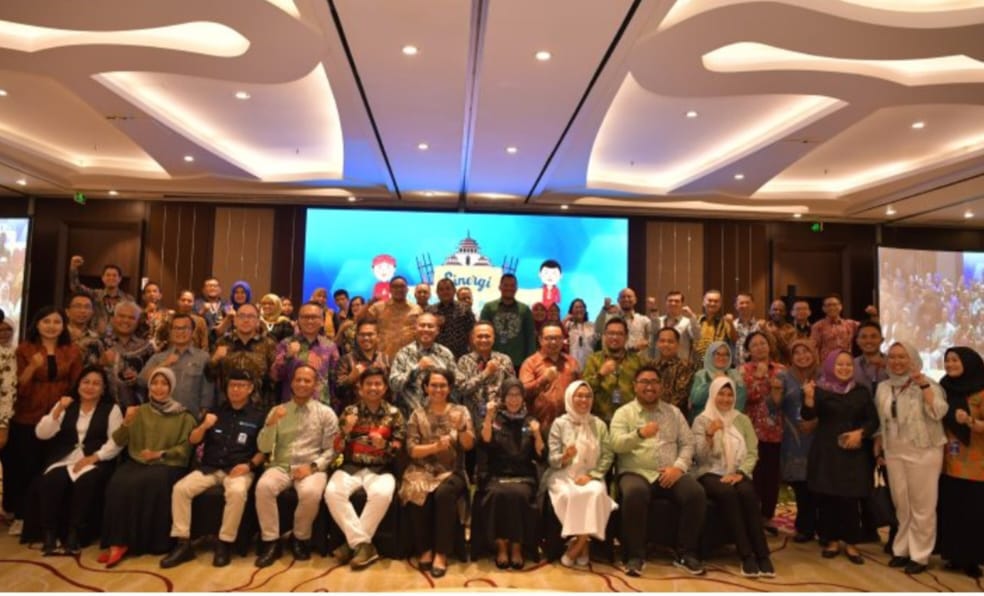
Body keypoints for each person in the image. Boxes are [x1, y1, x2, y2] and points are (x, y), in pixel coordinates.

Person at [160, 370, 265, 568]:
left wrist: (249, 465)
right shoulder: (215, 412)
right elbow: (193, 440)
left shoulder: (258, 416)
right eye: (232, 385)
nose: (235, 389)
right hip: (210, 468)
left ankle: (225, 543)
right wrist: (204, 426)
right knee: (180, 489)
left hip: (238, 469)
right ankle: (183, 543)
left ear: (250, 389)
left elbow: (263, 451)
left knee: (236, 492)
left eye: (241, 386)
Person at [610, 364, 706, 577]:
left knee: (695, 493)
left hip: (669, 471)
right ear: (635, 386)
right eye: (644, 382)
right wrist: (639, 434)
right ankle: (635, 556)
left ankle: (686, 553)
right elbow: (615, 444)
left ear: (661, 386)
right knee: (635, 493)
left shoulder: (674, 412)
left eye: (654, 382)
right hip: (635, 471)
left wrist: (678, 467)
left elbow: (688, 443)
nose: (649, 386)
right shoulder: (624, 413)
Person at [100, 368, 196, 567]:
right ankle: (118, 542)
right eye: (154, 383)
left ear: (171, 387)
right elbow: (119, 440)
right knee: (118, 482)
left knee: (151, 481)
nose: (158, 388)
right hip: (139, 460)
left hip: (169, 463)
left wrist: (160, 454)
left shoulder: (183, 415)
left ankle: (146, 542)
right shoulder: (139, 411)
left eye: (164, 383)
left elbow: (185, 449)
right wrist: (126, 422)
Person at [2, 306, 82, 537]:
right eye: (46, 321)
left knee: (49, 467)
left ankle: (47, 518)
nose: (51, 326)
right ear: (37, 324)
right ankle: (21, 516)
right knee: (24, 468)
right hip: (27, 415)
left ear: (63, 326)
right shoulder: (24, 349)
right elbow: (15, 387)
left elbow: (76, 384)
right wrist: (32, 368)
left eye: (57, 322)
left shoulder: (72, 350)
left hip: (59, 417)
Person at [254, 365, 339, 567]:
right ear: (291, 383)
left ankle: (300, 538)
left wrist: (313, 467)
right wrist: (271, 424)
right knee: (263, 487)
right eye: (298, 380)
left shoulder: (326, 413)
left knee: (311, 493)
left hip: (311, 467)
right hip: (281, 466)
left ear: (315, 385)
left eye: (307, 380)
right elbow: (264, 447)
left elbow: (332, 450)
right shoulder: (278, 411)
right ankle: (271, 541)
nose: (302, 384)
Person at [874, 342, 947, 575]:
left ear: (913, 359)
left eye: (902, 357)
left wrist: (923, 386)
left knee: (922, 505)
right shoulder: (883, 387)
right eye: (892, 357)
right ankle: (902, 549)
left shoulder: (927, 383)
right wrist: (879, 446)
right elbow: (882, 420)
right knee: (902, 504)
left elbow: (939, 412)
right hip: (894, 451)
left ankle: (920, 555)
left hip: (924, 450)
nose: (897, 362)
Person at [32, 366, 122, 555]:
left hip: (95, 459)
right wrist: (58, 409)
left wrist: (95, 457)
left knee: (86, 481)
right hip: (65, 458)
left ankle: (75, 534)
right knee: (51, 480)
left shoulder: (111, 409)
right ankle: (50, 534)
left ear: (103, 389)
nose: (90, 387)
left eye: (96, 384)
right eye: (86, 382)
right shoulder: (66, 405)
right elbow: (42, 434)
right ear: (78, 384)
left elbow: (117, 441)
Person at [801, 351, 879, 565]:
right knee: (828, 497)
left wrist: (861, 433)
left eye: (848, 365)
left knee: (851, 498)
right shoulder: (820, 390)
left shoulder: (861, 391)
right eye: (839, 365)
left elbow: (873, 421)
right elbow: (808, 416)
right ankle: (831, 540)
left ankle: (852, 542)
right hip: (827, 451)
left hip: (853, 451)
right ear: (830, 367)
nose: (844, 368)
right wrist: (808, 398)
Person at [692, 377, 774, 577]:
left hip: (737, 471)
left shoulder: (742, 420)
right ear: (713, 394)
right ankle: (746, 555)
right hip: (709, 471)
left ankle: (762, 554)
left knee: (747, 493)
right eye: (721, 393)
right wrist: (709, 436)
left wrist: (741, 473)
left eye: (730, 395)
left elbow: (752, 452)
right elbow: (698, 457)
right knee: (728, 494)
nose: (725, 399)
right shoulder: (701, 420)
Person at [325, 366, 406, 570]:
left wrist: (384, 445)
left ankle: (351, 545)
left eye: (378, 384)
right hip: (351, 466)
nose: (373, 388)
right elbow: (337, 448)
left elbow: (399, 449)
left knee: (382, 494)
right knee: (332, 492)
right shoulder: (349, 412)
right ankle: (363, 545)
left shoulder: (394, 414)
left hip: (381, 468)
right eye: (368, 384)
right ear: (360, 388)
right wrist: (345, 430)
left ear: (385, 388)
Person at [399, 368, 474, 579]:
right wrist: (435, 448)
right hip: (421, 469)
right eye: (433, 385)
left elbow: (468, 445)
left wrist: (461, 429)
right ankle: (425, 549)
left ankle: (441, 553)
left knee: (444, 494)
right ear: (425, 388)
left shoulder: (461, 411)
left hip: (452, 471)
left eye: (442, 385)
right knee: (416, 487)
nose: (438, 389)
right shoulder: (417, 414)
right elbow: (411, 450)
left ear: (449, 388)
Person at [543, 380, 616, 569]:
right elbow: (552, 459)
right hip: (563, 474)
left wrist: (592, 476)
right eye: (579, 396)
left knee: (596, 493)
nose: (584, 400)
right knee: (569, 495)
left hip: (590, 475)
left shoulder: (599, 425)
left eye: (588, 396)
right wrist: (565, 457)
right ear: (570, 398)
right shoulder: (559, 424)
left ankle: (578, 545)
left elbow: (608, 455)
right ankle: (583, 545)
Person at [477, 378, 545, 570]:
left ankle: (516, 547)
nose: (513, 399)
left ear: (523, 398)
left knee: (520, 495)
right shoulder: (496, 420)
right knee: (497, 494)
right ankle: (501, 547)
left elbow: (541, 454)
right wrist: (488, 417)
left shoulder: (530, 421)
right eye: (509, 395)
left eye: (517, 395)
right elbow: (485, 442)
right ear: (503, 398)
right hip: (497, 474)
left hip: (523, 475)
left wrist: (537, 434)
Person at [937, 347, 984, 578]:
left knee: (973, 512)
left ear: (969, 362)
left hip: (976, 465)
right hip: (947, 462)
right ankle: (953, 555)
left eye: (955, 360)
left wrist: (970, 421)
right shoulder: (943, 388)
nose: (950, 364)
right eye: (947, 360)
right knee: (951, 510)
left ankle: (972, 559)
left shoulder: (981, 391)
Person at [739, 331, 785, 534]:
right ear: (748, 350)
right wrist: (758, 377)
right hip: (751, 430)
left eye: (763, 343)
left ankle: (767, 516)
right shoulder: (743, 371)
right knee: (753, 474)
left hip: (775, 429)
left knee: (772, 476)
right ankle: (751, 515)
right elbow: (746, 397)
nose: (760, 347)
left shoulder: (781, 370)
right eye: (755, 345)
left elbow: (785, 398)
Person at [779, 338, 820, 543]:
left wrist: (816, 422)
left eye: (806, 351)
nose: (802, 356)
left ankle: (822, 526)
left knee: (818, 482)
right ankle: (805, 526)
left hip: (819, 435)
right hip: (793, 436)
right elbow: (774, 405)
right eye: (797, 352)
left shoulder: (823, 376)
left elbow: (833, 404)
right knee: (800, 484)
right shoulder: (784, 377)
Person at [139, 313, 215, 419]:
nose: (180, 332)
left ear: (193, 331)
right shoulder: (159, 357)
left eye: (185, 328)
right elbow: (141, 380)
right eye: (176, 328)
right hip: (161, 419)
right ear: (170, 331)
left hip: (191, 419)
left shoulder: (203, 358)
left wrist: (201, 416)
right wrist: (164, 364)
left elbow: (207, 393)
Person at [270, 301, 341, 409]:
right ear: (298, 320)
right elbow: (274, 376)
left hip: (320, 408)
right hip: (291, 407)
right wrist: (287, 357)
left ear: (322, 321)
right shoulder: (286, 344)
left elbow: (334, 382)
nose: (309, 321)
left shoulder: (330, 346)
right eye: (305, 317)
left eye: (314, 317)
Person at [209, 302, 278, 409]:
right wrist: (214, 360)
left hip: (259, 407)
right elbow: (209, 377)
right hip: (227, 406)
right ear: (235, 320)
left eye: (250, 316)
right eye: (241, 316)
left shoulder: (268, 344)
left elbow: (275, 378)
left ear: (258, 321)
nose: (246, 320)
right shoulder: (222, 342)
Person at [389, 312, 457, 415]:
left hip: (440, 416)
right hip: (409, 416)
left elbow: (455, 385)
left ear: (437, 331)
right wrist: (417, 369)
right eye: (422, 325)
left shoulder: (445, 354)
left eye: (430, 326)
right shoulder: (404, 353)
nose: (426, 329)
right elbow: (393, 385)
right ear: (415, 328)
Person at [582, 317, 645, 424]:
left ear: (626, 337)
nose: (615, 337)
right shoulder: (594, 359)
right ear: (604, 336)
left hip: (630, 420)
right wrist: (600, 374)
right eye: (611, 333)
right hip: (600, 420)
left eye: (619, 334)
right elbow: (584, 390)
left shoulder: (637, 361)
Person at [520, 322, 580, 432]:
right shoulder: (530, 363)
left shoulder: (571, 362)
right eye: (549, 338)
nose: (554, 342)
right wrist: (544, 379)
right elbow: (522, 393)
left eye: (558, 338)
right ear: (540, 340)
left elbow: (581, 390)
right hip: (539, 426)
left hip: (569, 425)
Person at [456, 321, 517, 428]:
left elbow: (513, 389)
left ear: (494, 338)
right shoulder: (464, 361)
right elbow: (461, 390)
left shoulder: (504, 360)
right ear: (473, 338)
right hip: (472, 419)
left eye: (487, 336)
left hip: (500, 418)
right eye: (479, 336)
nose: (483, 340)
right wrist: (486, 373)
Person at [99, 301, 155, 409]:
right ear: (113, 319)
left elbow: (153, 379)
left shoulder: (147, 348)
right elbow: (84, 376)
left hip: (136, 408)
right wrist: (100, 363)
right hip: (103, 408)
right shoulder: (99, 343)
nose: (125, 320)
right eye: (121, 316)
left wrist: (138, 379)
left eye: (131, 318)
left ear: (138, 322)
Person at [480, 274, 536, 370]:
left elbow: (530, 336)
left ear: (516, 288)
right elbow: (482, 334)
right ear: (500, 287)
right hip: (493, 361)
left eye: (512, 285)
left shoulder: (524, 309)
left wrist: (530, 361)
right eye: (506, 285)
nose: (509, 288)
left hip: (518, 360)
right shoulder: (489, 308)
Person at [68, 256, 135, 334]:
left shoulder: (128, 299)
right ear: (103, 278)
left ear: (120, 279)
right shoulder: (95, 294)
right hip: (96, 334)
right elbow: (76, 288)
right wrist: (73, 267)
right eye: (108, 275)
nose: (111, 278)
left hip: (119, 335)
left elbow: (134, 318)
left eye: (114, 275)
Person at [335, 319, 390, 411]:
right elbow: (337, 392)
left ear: (378, 336)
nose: (366, 338)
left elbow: (390, 391)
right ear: (356, 337)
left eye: (370, 334)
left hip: (381, 413)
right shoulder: (346, 360)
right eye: (362, 335)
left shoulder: (385, 359)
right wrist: (351, 378)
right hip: (353, 413)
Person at [366, 277, 422, 360]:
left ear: (407, 289)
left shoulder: (417, 309)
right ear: (390, 289)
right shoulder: (377, 307)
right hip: (383, 357)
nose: (399, 289)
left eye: (402, 286)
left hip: (408, 357)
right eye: (395, 287)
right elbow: (363, 325)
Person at [689, 341, 746, 422]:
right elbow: (695, 399)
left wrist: (725, 419)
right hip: (704, 420)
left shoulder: (735, 375)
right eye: (717, 354)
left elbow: (740, 401)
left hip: (730, 420)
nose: (722, 357)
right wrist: (713, 382)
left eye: (726, 354)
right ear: (710, 355)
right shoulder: (701, 375)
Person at [810, 293, 877, 362]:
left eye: (835, 304)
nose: (832, 308)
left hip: (846, 364)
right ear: (823, 308)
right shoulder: (818, 326)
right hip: (826, 364)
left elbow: (870, 329)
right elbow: (814, 348)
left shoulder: (850, 324)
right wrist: (818, 366)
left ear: (840, 307)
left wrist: (874, 315)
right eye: (829, 305)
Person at [649, 327, 696, 419]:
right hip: (650, 414)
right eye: (662, 341)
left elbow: (680, 396)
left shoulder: (685, 366)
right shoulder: (651, 366)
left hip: (675, 417)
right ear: (657, 344)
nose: (666, 344)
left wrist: (659, 413)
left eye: (670, 342)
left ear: (678, 344)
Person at [427, 279, 474, 359]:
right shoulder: (430, 310)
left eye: (448, 288)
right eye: (441, 289)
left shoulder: (465, 308)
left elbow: (472, 332)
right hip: (436, 355)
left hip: (460, 356)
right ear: (437, 292)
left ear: (454, 290)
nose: (445, 292)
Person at [593, 288, 650, 354]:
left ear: (635, 300)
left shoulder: (643, 320)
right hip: (614, 358)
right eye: (623, 297)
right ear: (618, 300)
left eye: (629, 296)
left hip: (638, 358)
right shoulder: (611, 319)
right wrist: (605, 309)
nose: (626, 299)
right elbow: (598, 329)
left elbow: (654, 335)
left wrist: (646, 343)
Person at [649, 291, 696, 361]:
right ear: (666, 303)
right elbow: (652, 338)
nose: (673, 303)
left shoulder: (688, 322)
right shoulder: (658, 321)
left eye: (677, 301)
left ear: (682, 304)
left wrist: (692, 316)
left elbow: (697, 336)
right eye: (670, 301)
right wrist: (653, 309)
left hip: (680, 364)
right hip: (659, 363)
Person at [693, 290, 736, 362]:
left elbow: (734, 340)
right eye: (709, 300)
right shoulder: (695, 320)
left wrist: (731, 323)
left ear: (720, 304)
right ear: (703, 302)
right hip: (696, 363)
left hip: (718, 363)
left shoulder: (726, 322)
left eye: (716, 301)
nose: (712, 303)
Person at [853, 322, 888, 393]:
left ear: (882, 340)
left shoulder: (892, 363)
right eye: (864, 337)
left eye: (873, 336)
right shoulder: (851, 365)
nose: (868, 341)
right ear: (857, 341)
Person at [563, 298, 596, 370]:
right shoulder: (568, 325)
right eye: (576, 307)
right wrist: (566, 319)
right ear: (571, 311)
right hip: (572, 364)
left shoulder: (591, 325)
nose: (579, 309)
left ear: (585, 310)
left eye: (581, 307)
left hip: (589, 363)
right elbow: (559, 332)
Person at [765, 299, 796, 365]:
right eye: (775, 310)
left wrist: (777, 335)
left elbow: (791, 352)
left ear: (785, 312)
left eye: (781, 310)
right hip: (767, 366)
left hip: (785, 367)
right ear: (769, 311)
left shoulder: (792, 330)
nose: (778, 312)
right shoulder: (764, 328)